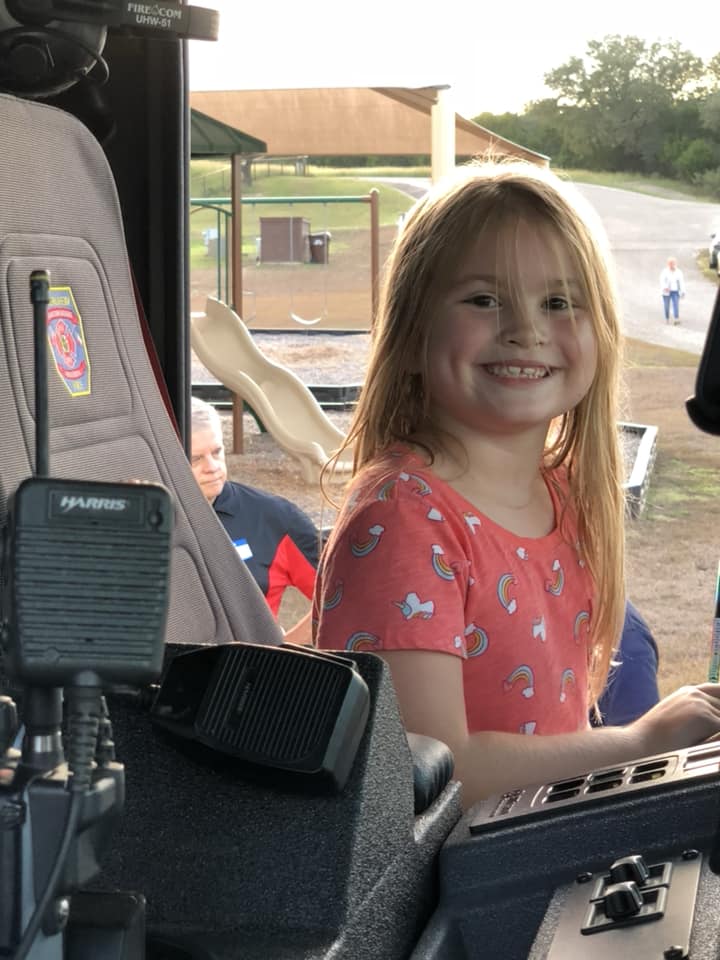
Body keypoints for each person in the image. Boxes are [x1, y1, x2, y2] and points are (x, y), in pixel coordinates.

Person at [312, 159, 720, 809]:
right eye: (484, 299)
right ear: (413, 335)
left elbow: (555, 726)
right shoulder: (404, 520)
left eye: (557, 302)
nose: (526, 330)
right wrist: (639, 742)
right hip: (450, 893)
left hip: (531, 850)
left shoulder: (561, 494)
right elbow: (421, 770)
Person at [191, 396, 318, 644]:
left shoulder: (274, 517)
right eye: (196, 459)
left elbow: (344, 599)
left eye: (217, 452)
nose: (212, 467)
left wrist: (284, 650)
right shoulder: (149, 517)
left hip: (252, 676)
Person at [660, 256, 685, 324]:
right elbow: (662, 281)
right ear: (668, 264)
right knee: (666, 306)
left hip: (675, 291)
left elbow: (681, 282)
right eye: (670, 263)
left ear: (675, 263)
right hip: (666, 291)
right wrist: (665, 287)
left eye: (673, 263)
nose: (672, 264)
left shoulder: (679, 272)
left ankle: (676, 319)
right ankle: (667, 318)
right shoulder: (664, 271)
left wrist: (683, 291)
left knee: (676, 305)